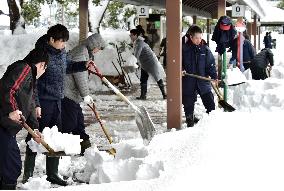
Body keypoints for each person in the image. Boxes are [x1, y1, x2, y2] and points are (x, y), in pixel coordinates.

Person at [22, 24, 96, 186]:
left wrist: (83, 65)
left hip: (57, 101)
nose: (64, 45)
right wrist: (36, 103)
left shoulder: (61, 52)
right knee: (34, 135)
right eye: (61, 41)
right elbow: (31, 81)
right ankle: (27, 174)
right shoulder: (40, 54)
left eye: (65, 42)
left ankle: (52, 173)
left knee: (54, 136)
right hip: (42, 101)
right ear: (51, 39)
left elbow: (67, 67)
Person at [0, 48, 48, 189]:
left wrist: (35, 129)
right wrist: (12, 109)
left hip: (6, 126)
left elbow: (31, 104)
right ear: (41, 65)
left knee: (8, 166)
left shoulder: (30, 78)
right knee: (11, 166)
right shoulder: (24, 68)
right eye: (45, 68)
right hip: (3, 122)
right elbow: (7, 88)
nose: (43, 72)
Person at [61, 33, 105, 155]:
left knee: (78, 120)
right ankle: (59, 145)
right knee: (70, 122)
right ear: (94, 44)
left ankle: (85, 146)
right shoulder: (81, 53)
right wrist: (85, 94)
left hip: (71, 92)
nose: (98, 51)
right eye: (99, 48)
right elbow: (80, 75)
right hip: (67, 91)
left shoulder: (85, 52)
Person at [182, 25, 218, 127]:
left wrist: (214, 76)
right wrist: (181, 69)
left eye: (200, 37)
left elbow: (210, 64)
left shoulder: (205, 49)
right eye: (196, 38)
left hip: (203, 80)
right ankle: (190, 119)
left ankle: (210, 121)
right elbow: (180, 63)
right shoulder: (184, 49)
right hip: (189, 79)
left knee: (209, 100)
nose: (198, 40)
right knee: (188, 101)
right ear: (191, 37)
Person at [130, 29, 167, 100]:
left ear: (135, 35)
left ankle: (164, 94)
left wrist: (134, 62)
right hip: (145, 64)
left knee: (158, 78)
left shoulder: (139, 43)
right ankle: (143, 96)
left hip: (151, 63)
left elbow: (137, 54)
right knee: (143, 79)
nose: (130, 36)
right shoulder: (137, 42)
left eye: (131, 35)